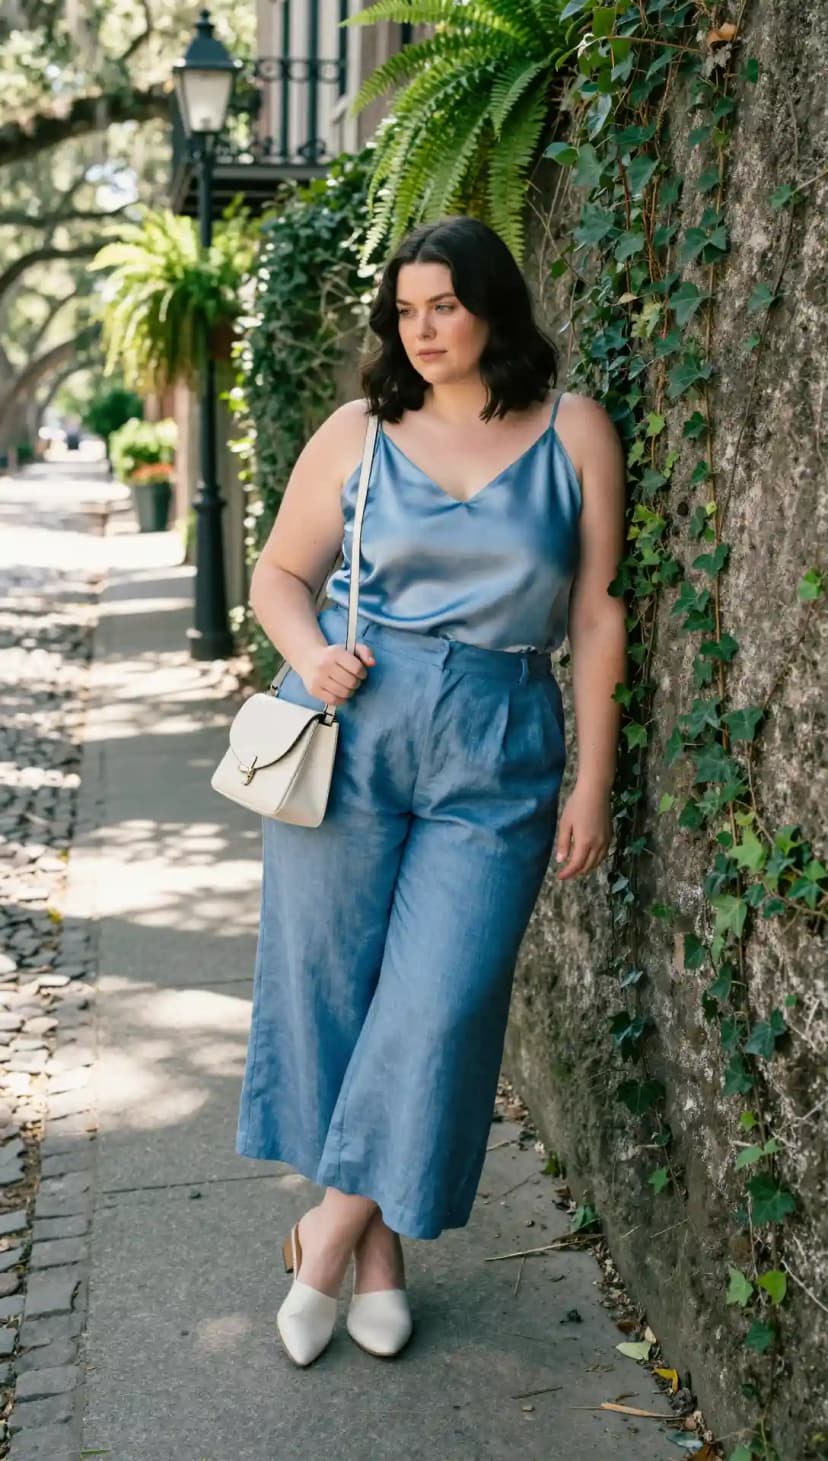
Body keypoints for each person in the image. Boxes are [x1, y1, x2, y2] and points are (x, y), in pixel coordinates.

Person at [235, 215, 626, 1367]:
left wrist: (590, 782)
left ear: (492, 306)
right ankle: (381, 1255)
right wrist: (310, 656)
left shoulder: (574, 431)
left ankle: (323, 1233)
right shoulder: (360, 430)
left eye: (443, 307)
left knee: (442, 1005)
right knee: (334, 994)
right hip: (353, 728)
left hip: (501, 740)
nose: (422, 331)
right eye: (405, 313)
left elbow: (599, 616)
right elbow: (278, 575)